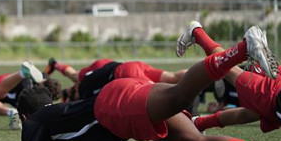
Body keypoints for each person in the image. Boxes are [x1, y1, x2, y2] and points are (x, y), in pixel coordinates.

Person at [15, 25, 281, 141]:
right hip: (117, 113)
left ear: (24, 116)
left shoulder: (34, 124)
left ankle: (243, 49)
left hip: (113, 108)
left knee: (180, 96)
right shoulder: (60, 126)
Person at [44, 57, 188, 102]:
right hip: (128, 66)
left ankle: (54, 64)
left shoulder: (87, 83)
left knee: (161, 92)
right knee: (172, 77)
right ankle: (206, 69)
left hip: (123, 71)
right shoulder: (89, 84)